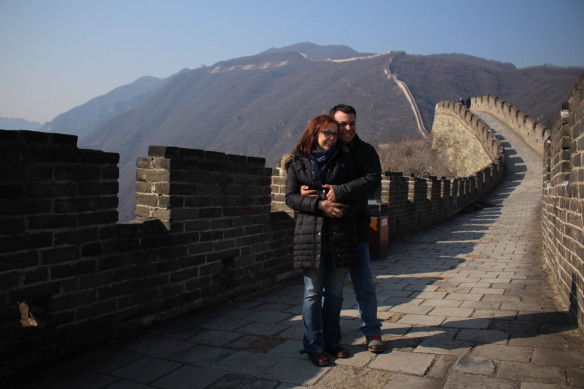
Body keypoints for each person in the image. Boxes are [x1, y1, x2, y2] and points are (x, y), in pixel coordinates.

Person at [301, 104, 385, 353]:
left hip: (356, 229)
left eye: (352, 123)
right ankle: (328, 338)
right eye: (342, 124)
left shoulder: (364, 151)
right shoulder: (328, 150)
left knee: (363, 284)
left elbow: (372, 182)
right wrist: (300, 188)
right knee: (328, 291)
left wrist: (342, 191)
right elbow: (307, 171)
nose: (348, 128)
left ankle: (372, 331)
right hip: (327, 233)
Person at [284, 114, 362, 367]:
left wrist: (341, 208)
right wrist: (319, 204)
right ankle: (314, 346)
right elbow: (290, 198)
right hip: (310, 235)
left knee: (336, 295)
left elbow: (356, 196)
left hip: (340, 235)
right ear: (314, 133)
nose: (331, 137)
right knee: (312, 293)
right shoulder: (298, 162)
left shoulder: (345, 159)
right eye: (326, 133)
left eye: (334, 133)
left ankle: (332, 342)